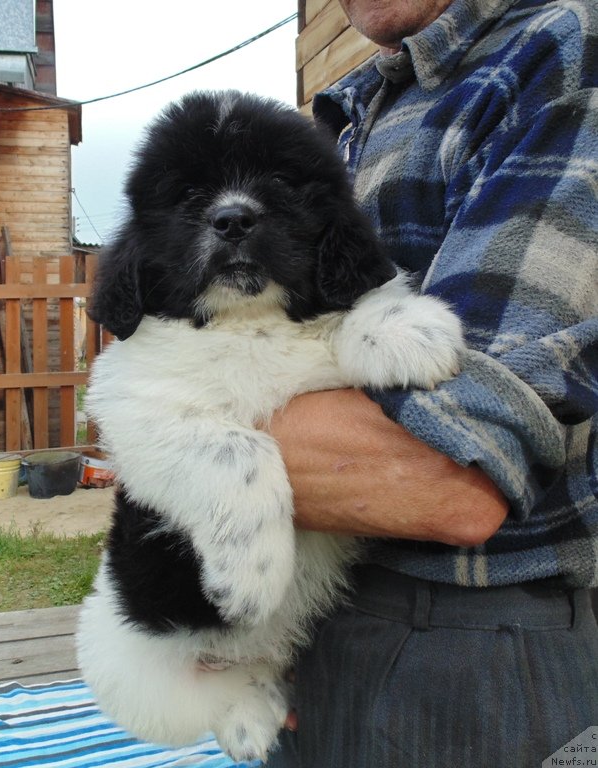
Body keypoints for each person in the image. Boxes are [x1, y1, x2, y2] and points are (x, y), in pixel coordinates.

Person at [266, 0, 598, 765]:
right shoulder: (349, 110)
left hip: (468, 649)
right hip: (298, 620)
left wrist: (158, 425)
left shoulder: (556, 54)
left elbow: (444, 472)